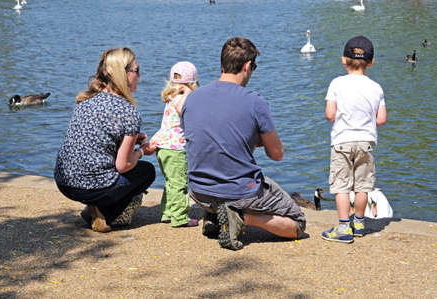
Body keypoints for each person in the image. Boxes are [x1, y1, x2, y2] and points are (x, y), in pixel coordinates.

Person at [181, 37, 306, 250]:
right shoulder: (254, 101)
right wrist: (255, 138)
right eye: (253, 67)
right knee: (298, 223)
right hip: (237, 191)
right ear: (247, 66)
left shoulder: (191, 98)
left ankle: (215, 215)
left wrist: (244, 137)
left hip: (199, 191)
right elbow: (277, 154)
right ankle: (240, 216)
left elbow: (205, 138)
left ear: (222, 64)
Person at [54, 47, 156, 233]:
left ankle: (94, 207)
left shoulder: (86, 99)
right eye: (136, 71)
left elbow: (96, 141)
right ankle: (104, 213)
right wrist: (142, 151)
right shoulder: (129, 112)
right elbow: (123, 166)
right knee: (147, 172)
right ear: (122, 74)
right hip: (90, 186)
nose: (139, 76)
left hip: (64, 180)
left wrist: (131, 140)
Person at [322, 36, 387, 243]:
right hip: (366, 142)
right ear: (371, 62)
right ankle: (359, 223)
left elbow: (330, 114)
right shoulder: (376, 88)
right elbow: (381, 119)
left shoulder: (336, 83)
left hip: (342, 141)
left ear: (344, 60)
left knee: (341, 186)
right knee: (362, 185)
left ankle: (343, 228)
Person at [148, 61, 200, 228]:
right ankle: (180, 217)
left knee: (171, 182)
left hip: (163, 146)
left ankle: (168, 212)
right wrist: (189, 92)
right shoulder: (183, 99)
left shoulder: (170, 96)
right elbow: (181, 110)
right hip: (175, 148)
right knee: (179, 183)